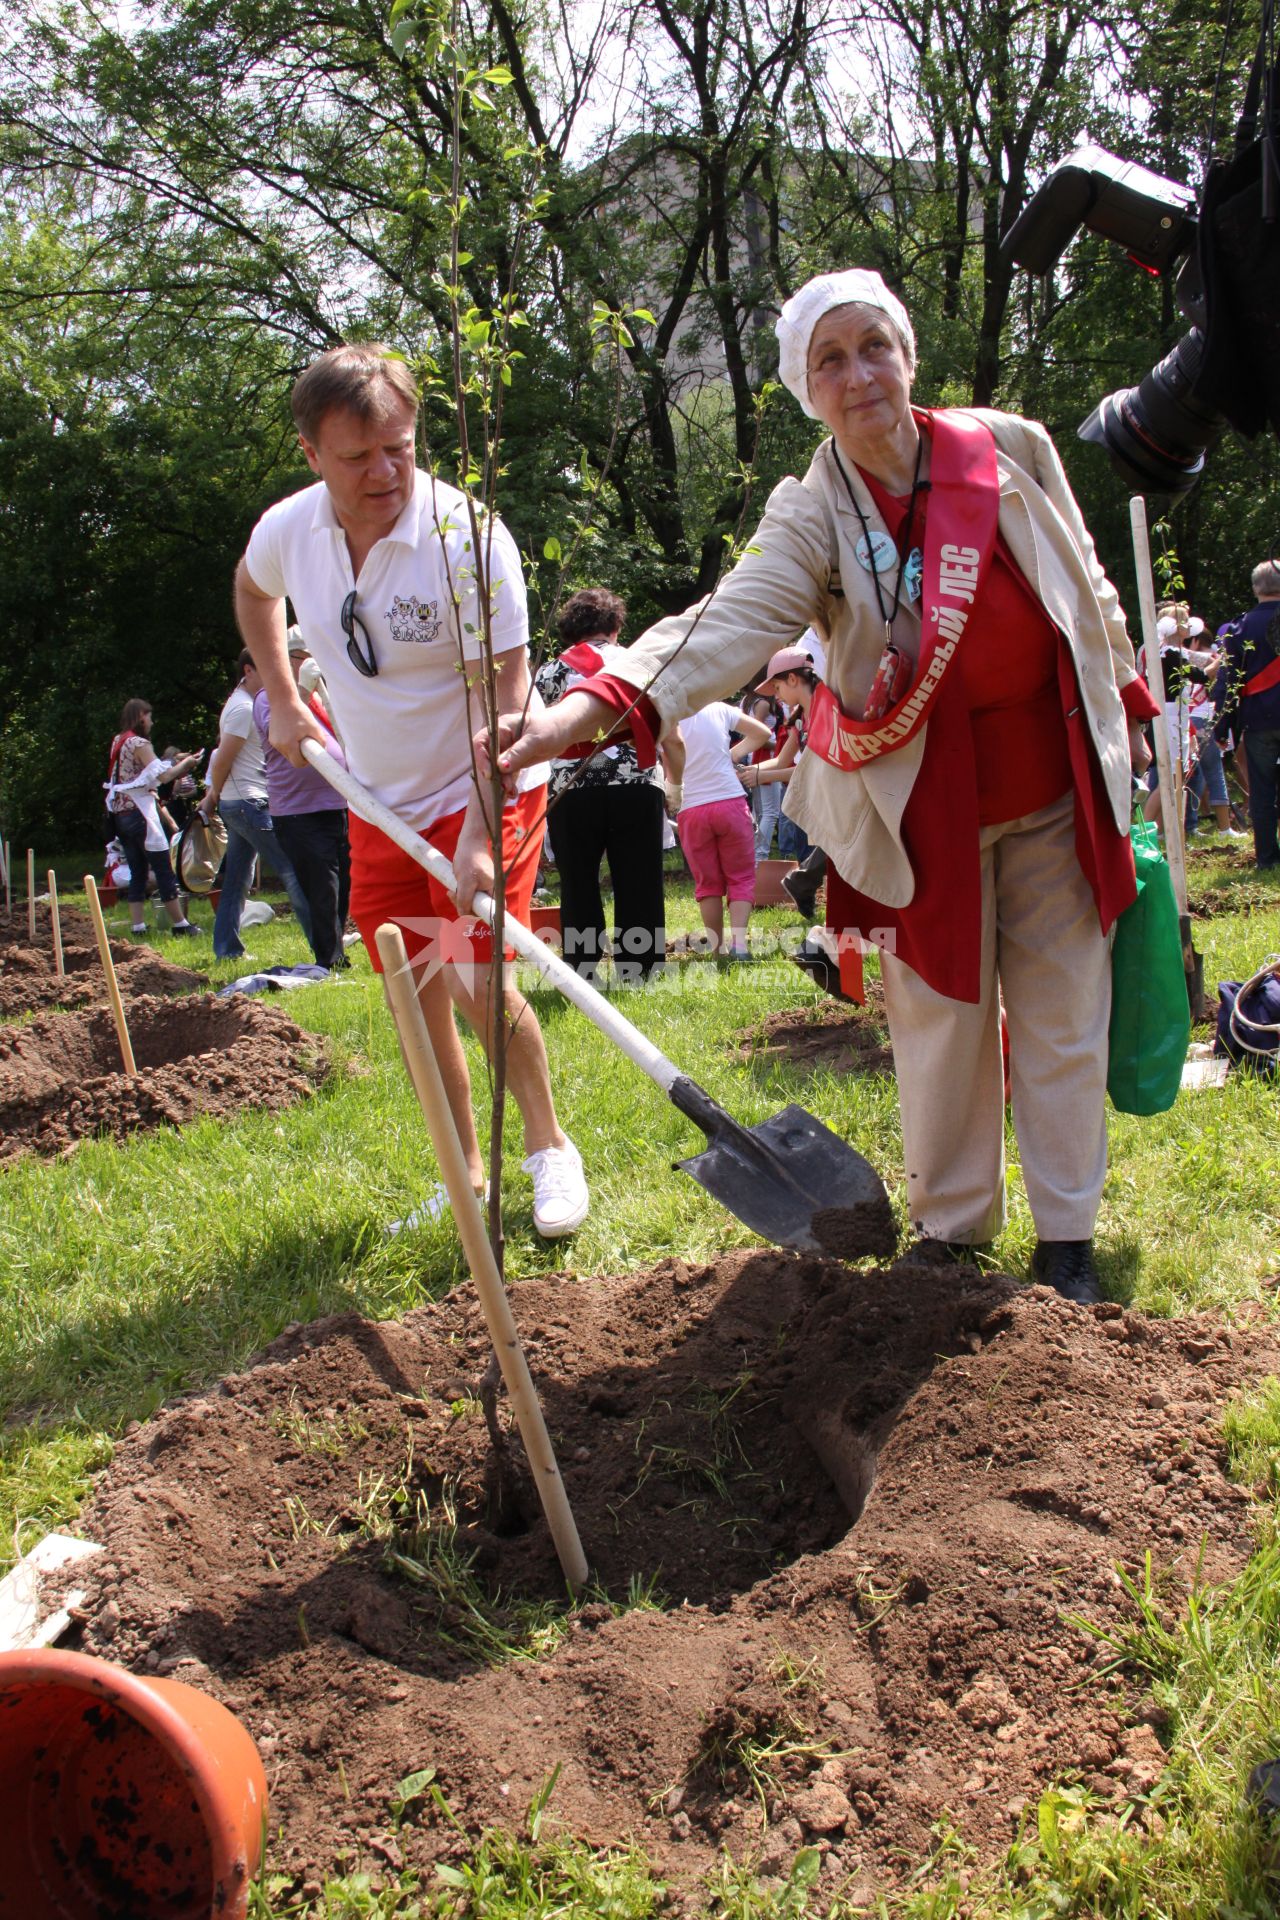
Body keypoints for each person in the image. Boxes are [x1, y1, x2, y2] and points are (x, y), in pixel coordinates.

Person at [494, 267, 1159, 1305]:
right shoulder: (810, 508)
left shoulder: (1008, 446)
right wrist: (577, 716)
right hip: (918, 811)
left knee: (1061, 1008)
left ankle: (1065, 1238)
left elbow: (1081, 575)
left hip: (1053, 781)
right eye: (829, 361)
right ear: (808, 391)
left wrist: (1126, 690)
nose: (859, 376)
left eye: (873, 347)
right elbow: (726, 619)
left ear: (907, 355)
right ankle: (951, 1228)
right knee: (935, 1017)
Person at [233, 341, 588, 1238]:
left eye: (401, 446)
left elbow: (509, 692)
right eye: (359, 457)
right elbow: (251, 591)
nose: (387, 471)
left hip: (486, 783)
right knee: (411, 987)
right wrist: (281, 696)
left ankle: (548, 1152)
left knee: (473, 977)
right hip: (377, 799)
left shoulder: (465, 536)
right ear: (312, 455)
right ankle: (465, 1175)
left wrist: (478, 824)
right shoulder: (289, 531)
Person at [534, 589, 669, 983]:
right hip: (637, 781)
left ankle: (582, 970)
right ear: (614, 626)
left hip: (571, 786)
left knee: (578, 881)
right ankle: (639, 969)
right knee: (639, 876)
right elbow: (666, 722)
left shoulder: (547, 673)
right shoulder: (638, 663)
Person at [198, 651, 314, 962]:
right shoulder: (242, 708)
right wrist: (211, 797)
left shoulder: (241, 705)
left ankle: (227, 949)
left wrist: (215, 798)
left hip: (240, 803)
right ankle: (325, 948)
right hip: (248, 803)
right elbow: (222, 759)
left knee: (236, 878)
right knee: (294, 868)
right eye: (268, 670)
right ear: (248, 670)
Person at [251, 630, 352, 970]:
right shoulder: (270, 699)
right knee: (323, 887)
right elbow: (283, 734)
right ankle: (331, 961)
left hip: (337, 806)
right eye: (304, 658)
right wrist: (304, 691)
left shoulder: (321, 700)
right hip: (299, 812)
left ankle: (336, 951)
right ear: (288, 661)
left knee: (343, 884)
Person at [674, 697, 771, 956]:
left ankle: (717, 951)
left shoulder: (669, 714)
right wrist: (732, 754)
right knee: (741, 878)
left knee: (708, 885)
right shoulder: (718, 708)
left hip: (691, 807)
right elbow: (763, 733)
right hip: (730, 801)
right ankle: (739, 945)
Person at [104, 700, 204, 937]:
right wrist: (187, 763)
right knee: (163, 868)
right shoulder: (140, 742)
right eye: (149, 716)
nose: (151, 721)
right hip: (141, 813)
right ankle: (180, 924)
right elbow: (165, 775)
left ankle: (138, 926)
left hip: (121, 814)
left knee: (137, 871)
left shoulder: (119, 741)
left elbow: (138, 773)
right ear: (140, 716)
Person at [1216, 560, 1280, 870]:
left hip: (1259, 719)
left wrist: (1221, 726)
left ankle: (1267, 859)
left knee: (1263, 791)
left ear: (1256, 588)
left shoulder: (1239, 628)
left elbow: (1228, 682)